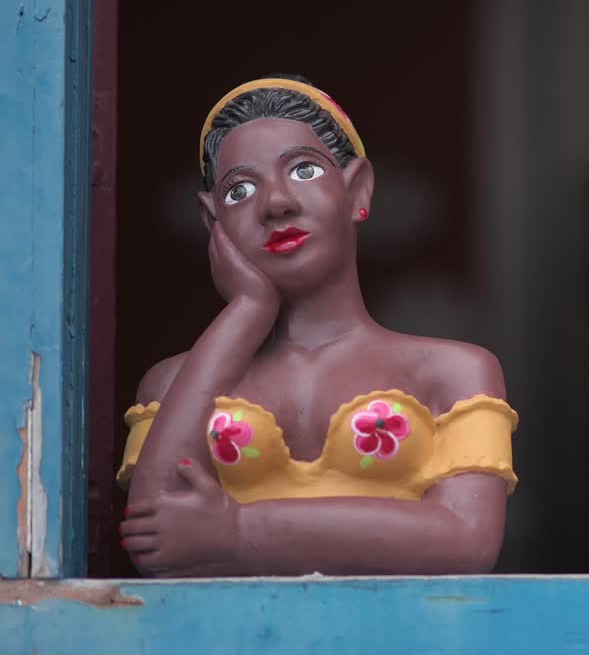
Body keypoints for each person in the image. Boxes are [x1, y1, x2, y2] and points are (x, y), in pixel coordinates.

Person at [117, 76, 518, 576]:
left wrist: (239, 531)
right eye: (240, 190)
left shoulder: (454, 371)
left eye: (304, 170)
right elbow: (153, 540)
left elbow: (468, 539)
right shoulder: (174, 384)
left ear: (358, 190)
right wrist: (245, 312)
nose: (277, 203)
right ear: (212, 220)